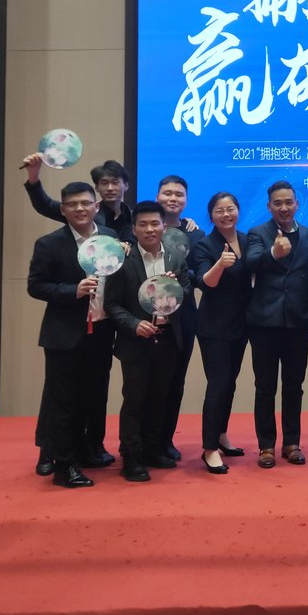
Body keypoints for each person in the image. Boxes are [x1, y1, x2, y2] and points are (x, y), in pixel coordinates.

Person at [27, 182, 118, 488]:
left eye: (85, 203)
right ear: (63, 210)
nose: (80, 209)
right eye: (72, 204)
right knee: (63, 401)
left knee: (92, 397)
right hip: (64, 335)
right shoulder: (49, 244)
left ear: (96, 206)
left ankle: (83, 452)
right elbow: (35, 286)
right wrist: (72, 291)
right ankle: (63, 467)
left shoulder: (110, 237)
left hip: (102, 330)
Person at [104, 201, 192, 482]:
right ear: (134, 229)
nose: (149, 229)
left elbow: (187, 290)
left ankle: (153, 450)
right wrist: (134, 324)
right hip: (136, 341)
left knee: (159, 398)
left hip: (167, 339)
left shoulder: (175, 258)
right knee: (134, 400)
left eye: (155, 223)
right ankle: (131, 457)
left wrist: (175, 289)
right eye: (142, 224)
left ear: (164, 226)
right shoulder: (123, 259)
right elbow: (112, 304)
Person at [246, 181, 308, 468]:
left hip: (298, 321)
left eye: (289, 202)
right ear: (269, 206)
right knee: (265, 386)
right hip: (264, 322)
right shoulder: (257, 233)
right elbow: (250, 263)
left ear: (297, 204)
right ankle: (266, 446)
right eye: (278, 203)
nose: (284, 208)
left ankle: (292, 443)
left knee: (294, 385)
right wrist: (273, 253)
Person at [190, 192, 252, 474]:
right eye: (219, 210)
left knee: (230, 383)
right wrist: (220, 264)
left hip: (241, 324)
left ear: (238, 210)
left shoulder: (248, 240)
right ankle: (209, 449)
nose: (226, 214)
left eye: (230, 209)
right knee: (218, 384)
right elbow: (206, 283)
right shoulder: (205, 245)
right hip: (214, 327)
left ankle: (221, 435)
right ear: (211, 215)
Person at [155, 175, 205, 462]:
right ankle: (141, 443)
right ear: (158, 196)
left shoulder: (194, 234)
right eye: (167, 193)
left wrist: (180, 277)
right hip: (148, 315)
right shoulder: (146, 226)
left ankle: (165, 440)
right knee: (148, 382)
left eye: (179, 194)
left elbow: (199, 274)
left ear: (186, 200)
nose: (173, 198)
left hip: (184, 316)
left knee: (176, 381)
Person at [21, 155, 135, 241]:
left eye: (115, 183)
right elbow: (45, 205)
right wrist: (33, 175)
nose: (110, 188)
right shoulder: (84, 211)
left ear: (126, 186)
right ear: (97, 187)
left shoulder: (133, 216)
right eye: (104, 183)